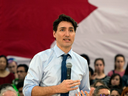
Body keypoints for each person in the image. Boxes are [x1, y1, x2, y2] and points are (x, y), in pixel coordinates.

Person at [23, 14, 90, 96]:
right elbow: (27, 91)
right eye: (62, 30)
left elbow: (86, 91)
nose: (67, 34)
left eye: (71, 30)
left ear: (74, 34)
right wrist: (58, 88)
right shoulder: (40, 58)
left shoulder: (82, 62)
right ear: (54, 33)